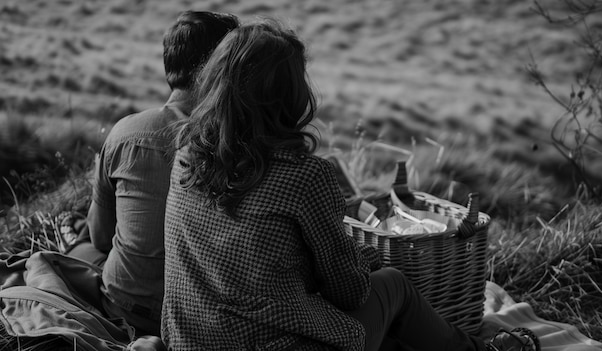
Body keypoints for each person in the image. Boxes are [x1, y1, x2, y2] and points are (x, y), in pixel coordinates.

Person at [162, 19, 541, 351]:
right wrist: (365, 259)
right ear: (290, 95)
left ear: (216, 82)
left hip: (189, 340)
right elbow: (350, 291)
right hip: (272, 343)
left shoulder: (187, 154)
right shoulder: (304, 176)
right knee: (392, 285)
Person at [66, 11, 239, 337]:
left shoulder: (125, 132)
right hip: (196, 319)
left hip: (123, 306)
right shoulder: (237, 145)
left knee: (82, 244)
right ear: (221, 67)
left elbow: (102, 238)